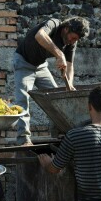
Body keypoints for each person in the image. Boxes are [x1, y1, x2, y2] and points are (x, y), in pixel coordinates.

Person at [13, 16, 90, 146]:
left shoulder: (72, 43)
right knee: (22, 99)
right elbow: (40, 35)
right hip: (23, 62)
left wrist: (69, 84)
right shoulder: (53, 24)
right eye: (73, 37)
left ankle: (59, 136)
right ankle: (23, 139)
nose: (73, 41)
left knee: (55, 99)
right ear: (66, 29)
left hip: (41, 67)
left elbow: (70, 65)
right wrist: (59, 54)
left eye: (76, 39)